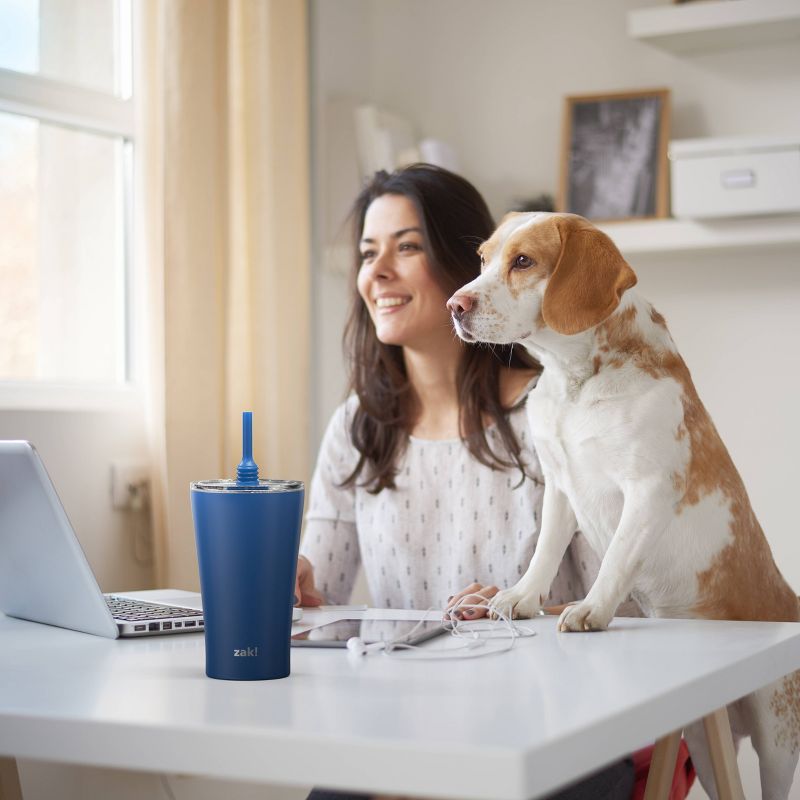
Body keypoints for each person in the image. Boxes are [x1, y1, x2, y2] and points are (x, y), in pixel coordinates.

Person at [296, 164, 636, 800]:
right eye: (369, 254)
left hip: (550, 733)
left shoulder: (553, 414)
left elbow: (624, 615)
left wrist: (517, 609)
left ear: (466, 265)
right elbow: (329, 620)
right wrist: (295, 588)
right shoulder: (358, 426)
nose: (378, 273)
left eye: (408, 246)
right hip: (400, 732)